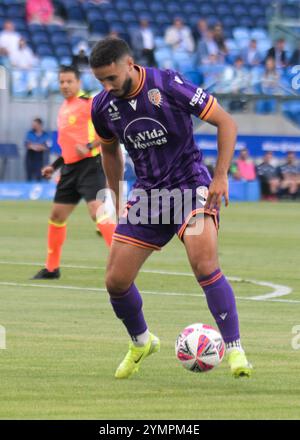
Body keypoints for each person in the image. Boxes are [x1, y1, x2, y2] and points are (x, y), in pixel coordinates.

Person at [89, 37, 253, 379]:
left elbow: (227, 123)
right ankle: (141, 341)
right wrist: (116, 197)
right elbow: (108, 151)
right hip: (148, 196)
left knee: (204, 264)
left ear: (129, 64)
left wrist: (220, 176)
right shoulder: (103, 106)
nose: (106, 86)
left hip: (190, 188)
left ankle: (236, 351)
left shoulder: (169, 84)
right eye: (100, 80)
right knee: (116, 281)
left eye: (111, 78)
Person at [32, 65, 115, 280]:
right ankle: (52, 268)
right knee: (57, 216)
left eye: (69, 81)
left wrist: (88, 146)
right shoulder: (63, 108)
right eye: (61, 82)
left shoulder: (88, 104)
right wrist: (54, 166)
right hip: (69, 169)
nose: (65, 85)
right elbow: (67, 147)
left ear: (78, 82)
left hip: (90, 164)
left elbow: (111, 130)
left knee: (97, 211)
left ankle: (122, 260)